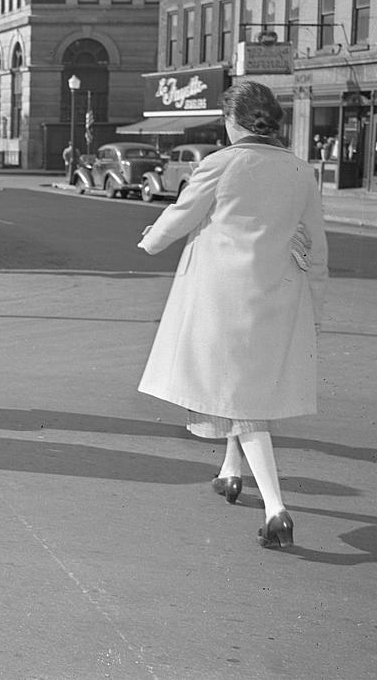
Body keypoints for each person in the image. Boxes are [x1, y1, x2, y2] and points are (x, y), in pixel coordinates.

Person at [137, 81, 328, 550]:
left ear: (232, 121)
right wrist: (316, 301)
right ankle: (230, 472)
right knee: (240, 386)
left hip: (222, 295)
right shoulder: (302, 170)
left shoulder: (220, 163)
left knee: (240, 400)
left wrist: (149, 240)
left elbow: (179, 216)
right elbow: (317, 246)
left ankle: (276, 507)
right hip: (278, 293)